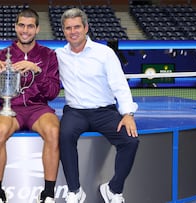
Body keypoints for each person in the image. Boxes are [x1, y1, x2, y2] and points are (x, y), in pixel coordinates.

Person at [55, 8, 139, 203]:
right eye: (68, 28)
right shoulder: (59, 55)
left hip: (105, 112)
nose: (73, 31)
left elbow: (119, 85)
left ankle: (113, 189)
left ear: (86, 28)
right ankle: (75, 191)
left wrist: (127, 113)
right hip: (75, 112)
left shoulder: (105, 53)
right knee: (64, 135)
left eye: (77, 27)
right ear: (64, 31)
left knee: (130, 141)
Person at [0, 8, 60, 203]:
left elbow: (52, 93)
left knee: (52, 130)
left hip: (38, 108)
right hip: (8, 107)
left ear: (37, 29)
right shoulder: (0, 55)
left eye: (30, 26)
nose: (26, 30)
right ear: (15, 27)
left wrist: (38, 71)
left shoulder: (48, 55)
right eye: (22, 25)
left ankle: (49, 194)